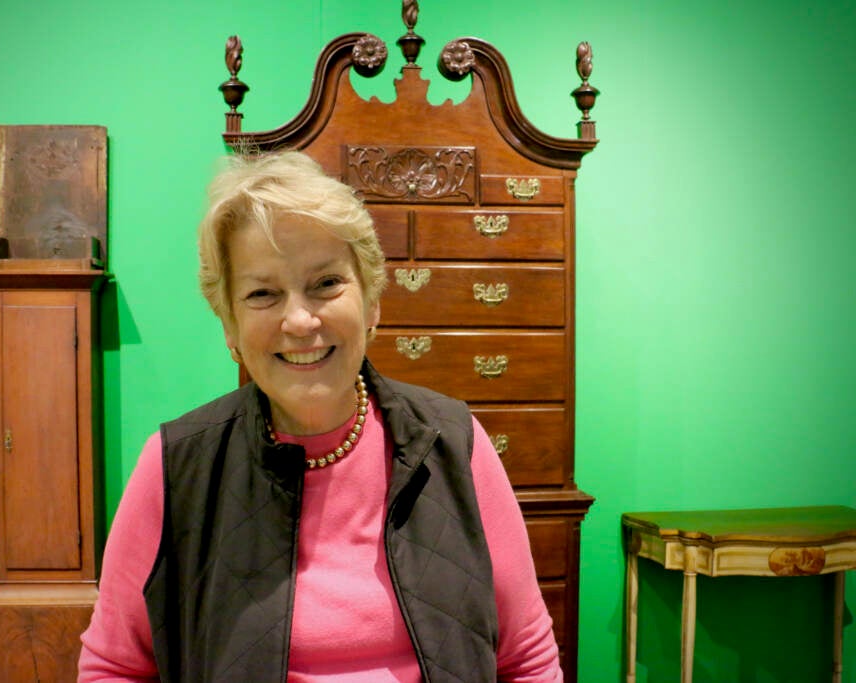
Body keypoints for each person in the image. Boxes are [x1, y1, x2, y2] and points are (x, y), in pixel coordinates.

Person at [78, 151, 563, 682]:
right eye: (263, 293)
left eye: (326, 283)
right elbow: (114, 668)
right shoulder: (176, 465)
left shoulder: (455, 442)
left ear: (371, 302)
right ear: (230, 328)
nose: (301, 320)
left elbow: (526, 659)